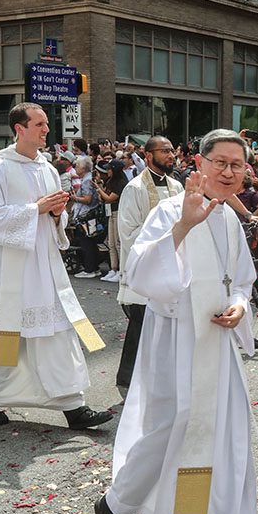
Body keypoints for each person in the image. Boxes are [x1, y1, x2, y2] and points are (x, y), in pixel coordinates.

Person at [97, 130, 258, 514]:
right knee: (166, 436)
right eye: (220, 162)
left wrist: (238, 306)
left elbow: (239, 282)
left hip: (217, 347)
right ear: (199, 164)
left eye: (238, 165)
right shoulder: (169, 211)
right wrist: (183, 226)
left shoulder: (232, 220)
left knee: (225, 441)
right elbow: (140, 274)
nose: (229, 172)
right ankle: (116, 506)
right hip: (176, 345)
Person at [0, 102, 112, 430]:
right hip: (10, 270)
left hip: (44, 266)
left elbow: (52, 219)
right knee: (6, 337)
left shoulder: (47, 167)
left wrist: (57, 214)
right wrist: (36, 208)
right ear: (19, 128)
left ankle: (74, 406)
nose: (47, 130)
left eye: (46, 124)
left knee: (57, 332)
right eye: (40, 124)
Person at [115, 136, 183, 394]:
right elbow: (128, 232)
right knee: (141, 324)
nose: (171, 156)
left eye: (172, 151)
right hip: (144, 266)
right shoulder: (135, 189)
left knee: (159, 326)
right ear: (148, 156)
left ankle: (151, 378)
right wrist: (164, 230)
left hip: (170, 266)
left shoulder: (177, 186)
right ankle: (128, 378)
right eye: (164, 151)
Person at [70, 157, 103, 279]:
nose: (75, 168)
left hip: (86, 215)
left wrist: (75, 198)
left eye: (77, 166)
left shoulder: (86, 181)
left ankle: (90, 269)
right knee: (90, 243)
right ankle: (94, 267)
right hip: (89, 215)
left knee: (87, 243)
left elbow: (88, 199)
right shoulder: (88, 178)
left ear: (83, 169)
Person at [97, 159, 129, 282]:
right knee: (111, 243)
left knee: (118, 243)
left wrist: (98, 189)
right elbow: (102, 198)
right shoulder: (111, 181)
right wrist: (99, 186)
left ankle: (121, 270)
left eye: (109, 168)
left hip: (118, 212)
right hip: (110, 212)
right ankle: (114, 269)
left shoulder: (120, 182)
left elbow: (109, 198)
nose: (107, 171)